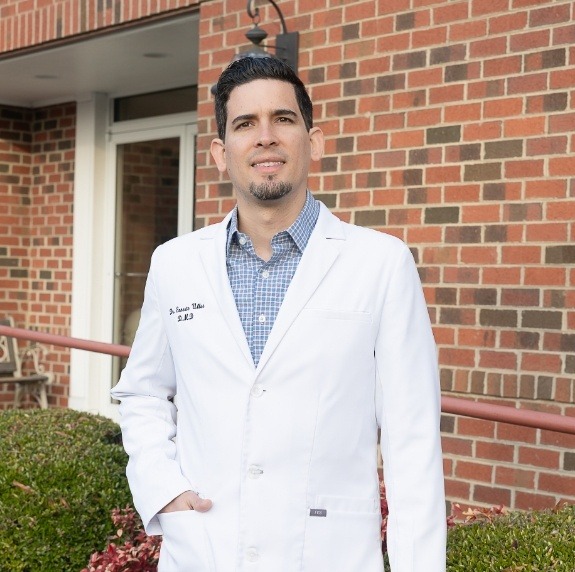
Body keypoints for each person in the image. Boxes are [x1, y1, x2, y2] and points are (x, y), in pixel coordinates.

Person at [111, 55, 446, 572]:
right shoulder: (175, 263)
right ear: (221, 154)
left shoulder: (381, 264)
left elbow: (413, 443)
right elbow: (143, 390)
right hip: (203, 551)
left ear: (313, 142)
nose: (265, 137)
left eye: (283, 119)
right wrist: (162, 488)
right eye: (245, 123)